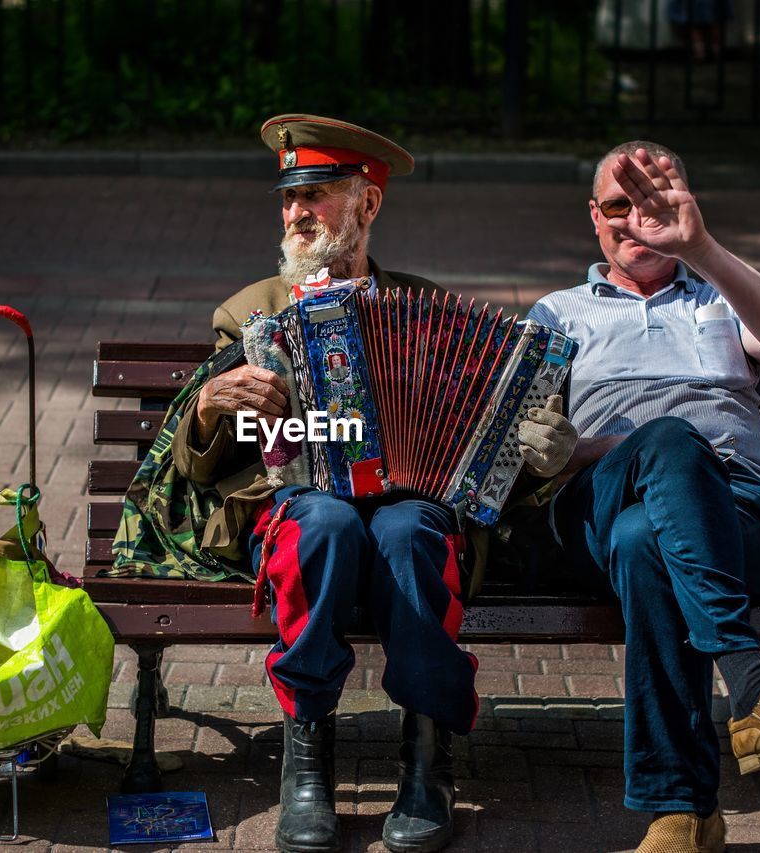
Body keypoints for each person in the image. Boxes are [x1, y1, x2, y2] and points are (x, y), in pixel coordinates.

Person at [173, 114, 573, 853]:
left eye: (317, 195)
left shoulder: (424, 310)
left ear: (368, 204)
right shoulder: (249, 311)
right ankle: (306, 767)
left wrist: (537, 458)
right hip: (300, 512)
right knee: (323, 524)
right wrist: (208, 405)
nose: (296, 213)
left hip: (407, 510)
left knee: (410, 529)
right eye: (288, 197)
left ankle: (427, 764)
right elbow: (194, 466)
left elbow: (486, 462)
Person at [525, 140, 760, 853]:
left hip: (732, 512)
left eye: (651, 201)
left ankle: (682, 814)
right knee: (671, 442)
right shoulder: (557, 314)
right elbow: (519, 448)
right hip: (597, 498)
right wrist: (566, 448)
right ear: (595, 218)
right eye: (618, 205)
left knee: (646, 542)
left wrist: (702, 246)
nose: (634, 219)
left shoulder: (719, 293)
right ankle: (756, 685)